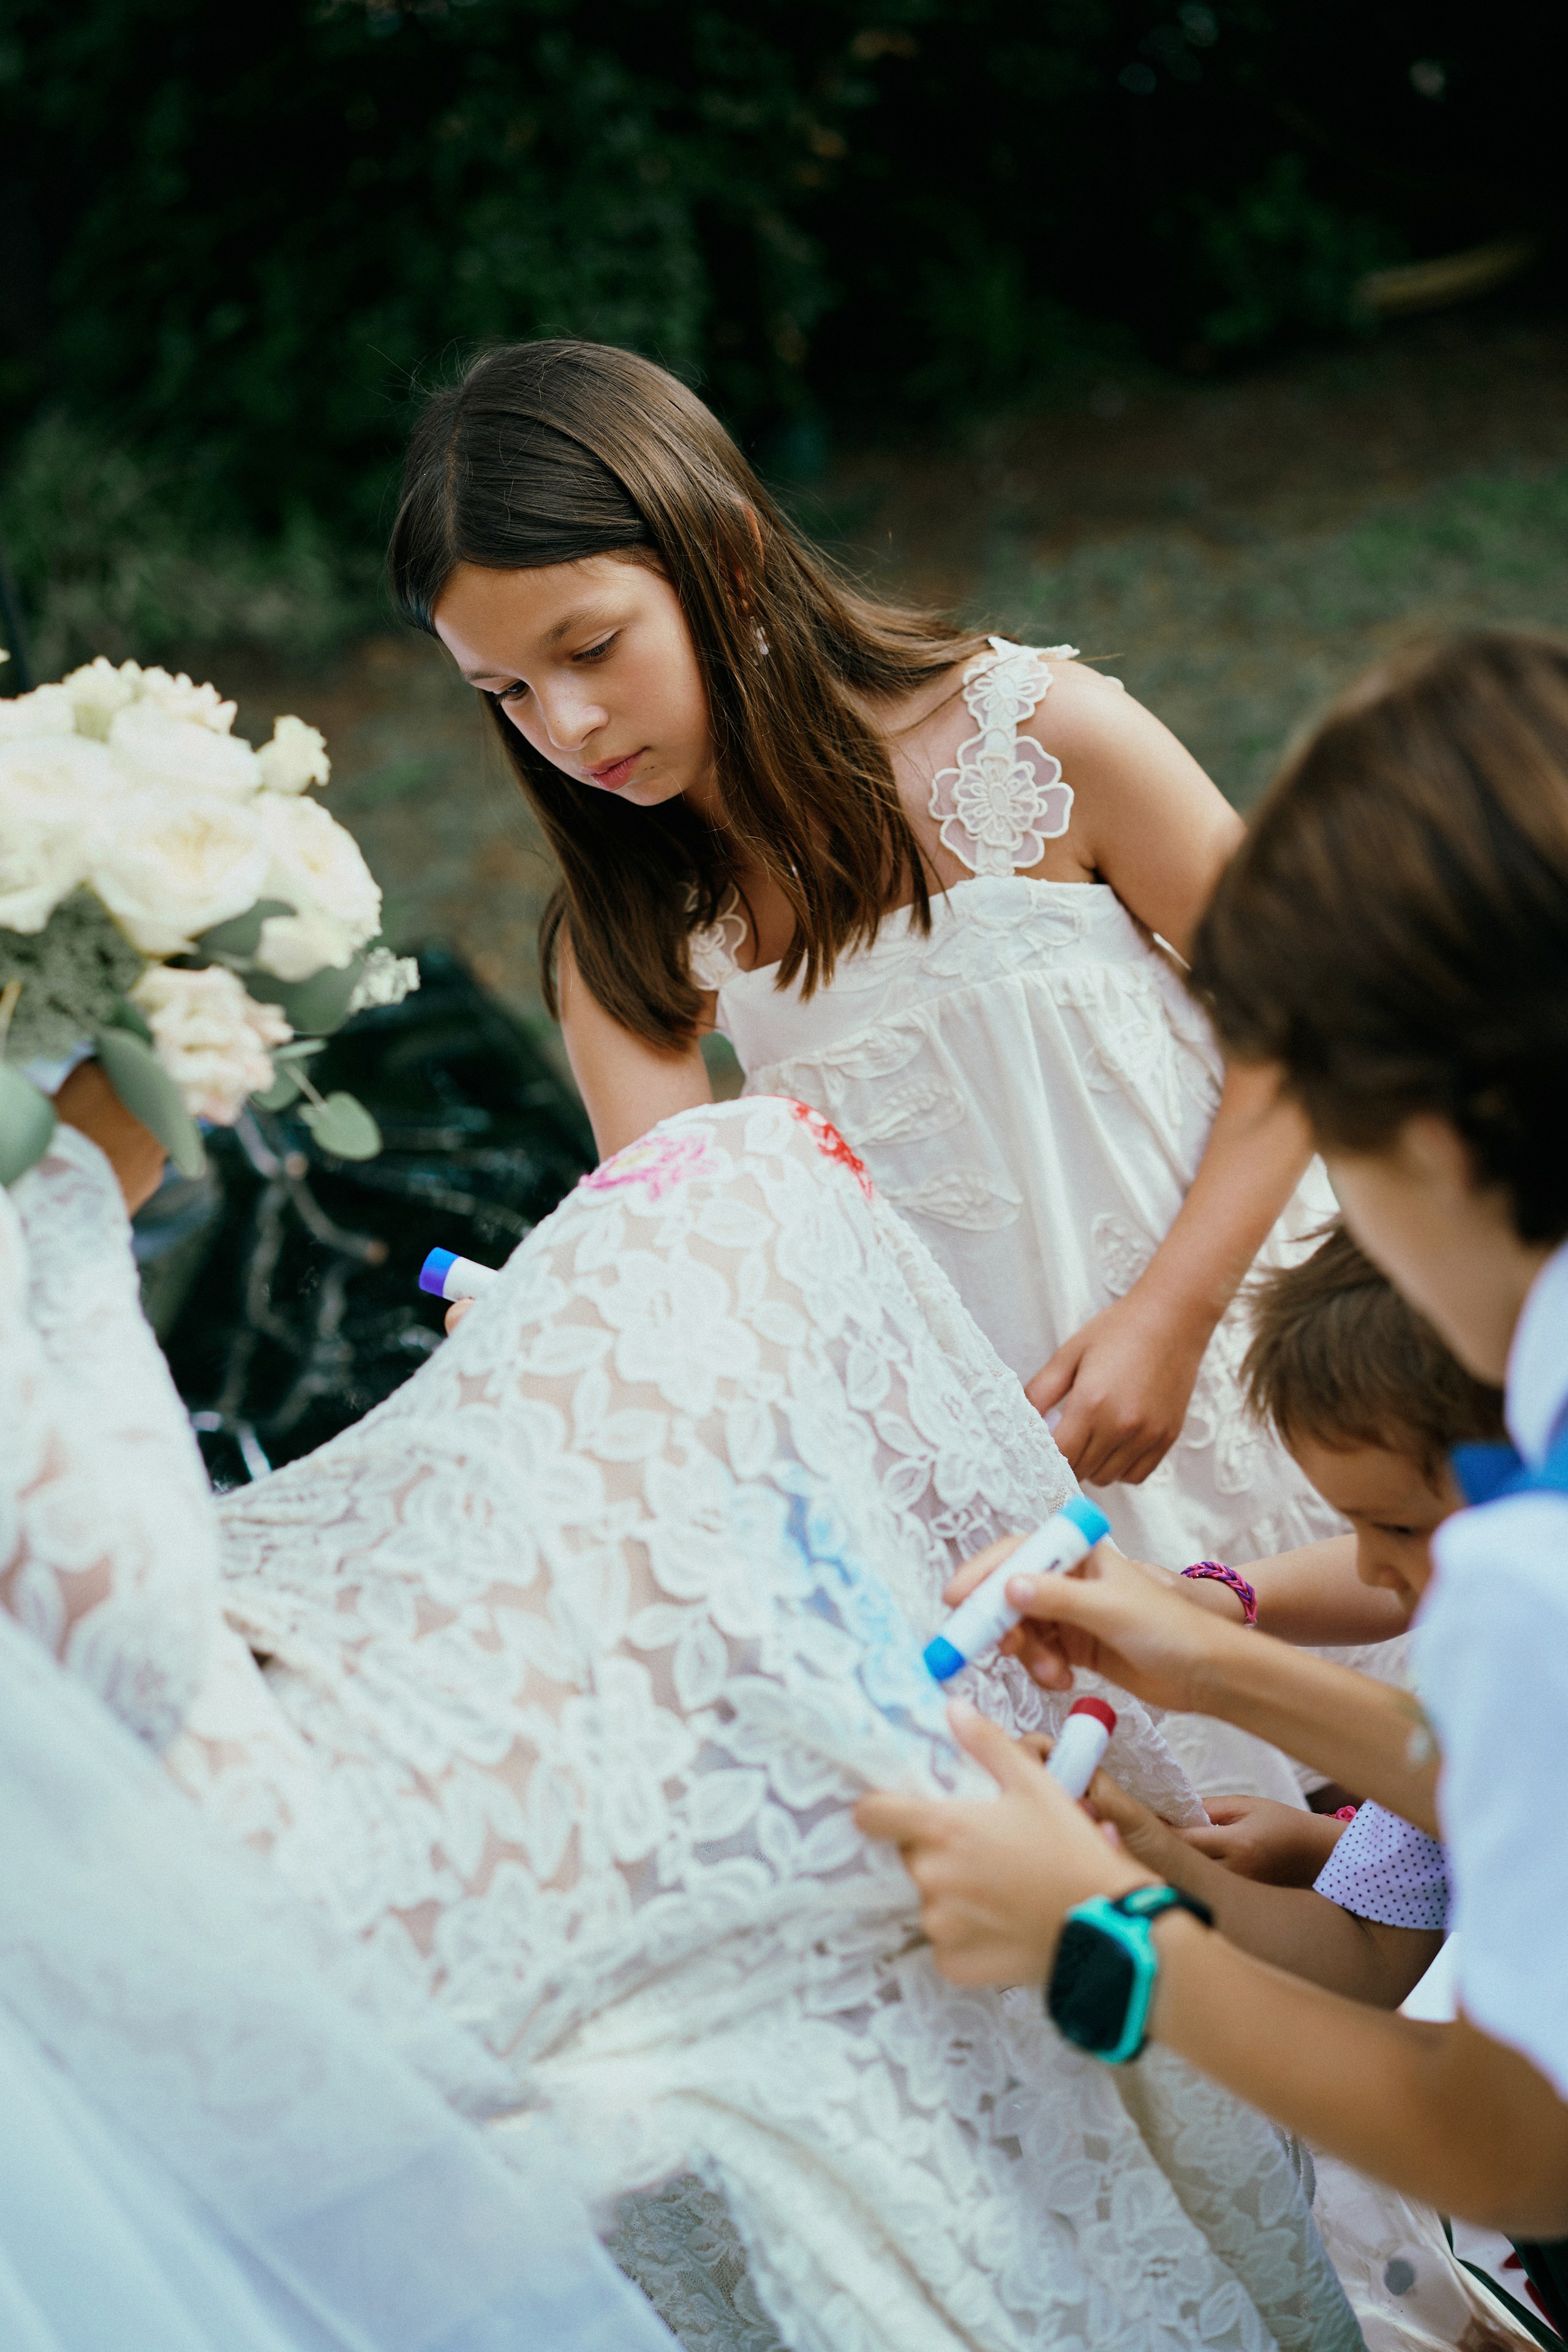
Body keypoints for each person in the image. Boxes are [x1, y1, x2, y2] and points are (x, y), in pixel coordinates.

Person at [3, 1077, 1359, 2351]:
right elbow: (126, 1628)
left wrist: (1219, 1694)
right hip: (278, 1889)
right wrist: (68, 1190)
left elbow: (1390, 1961)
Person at [387, 342, 1351, 1675]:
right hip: (988, 1502)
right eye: (502, 694)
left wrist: (1168, 1317)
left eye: (592, 648)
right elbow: (701, 1290)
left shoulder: (1040, 741)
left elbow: (1313, 1019)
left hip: (1254, 1369)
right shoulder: (630, 949)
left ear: (721, 555)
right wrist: (570, 1332)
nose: (565, 722)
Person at [856, 631, 1568, 2285]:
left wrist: (1096, 1935)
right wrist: (1214, 1656)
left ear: (1430, 1127)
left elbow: (1517, 2142)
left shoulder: (1523, 1574)